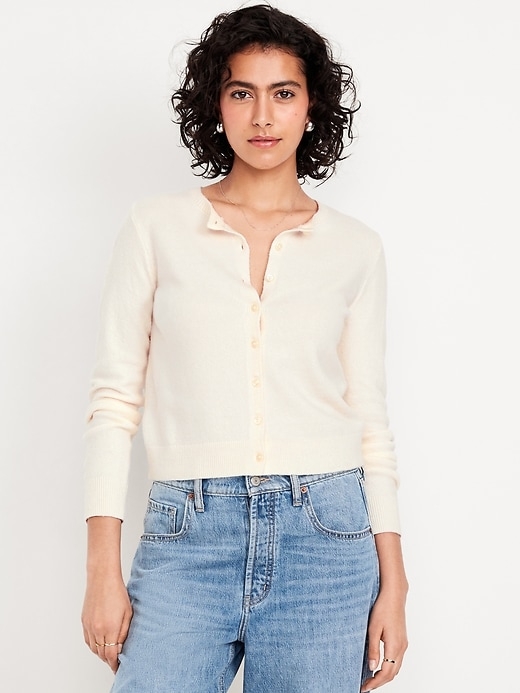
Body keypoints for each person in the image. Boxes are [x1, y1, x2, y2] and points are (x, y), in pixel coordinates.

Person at [81, 4, 408, 692]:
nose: (263, 116)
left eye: (283, 92)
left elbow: (370, 421)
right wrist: (102, 569)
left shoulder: (356, 248)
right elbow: (114, 402)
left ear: (311, 107)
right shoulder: (156, 227)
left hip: (327, 539)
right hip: (186, 535)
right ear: (216, 104)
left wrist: (395, 582)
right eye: (241, 92)